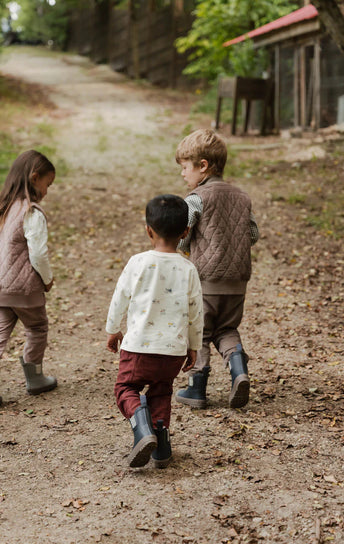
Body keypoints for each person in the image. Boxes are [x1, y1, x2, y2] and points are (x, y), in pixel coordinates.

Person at [106, 194, 203, 468]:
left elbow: (120, 297)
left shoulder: (138, 262)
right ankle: (161, 446)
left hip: (139, 348)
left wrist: (113, 329)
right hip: (172, 352)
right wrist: (193, 346)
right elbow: (196, 312)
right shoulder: (188, 269)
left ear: (148, 230)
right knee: (161, 392)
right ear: (185, 233)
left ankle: (141, 427)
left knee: (126, 387)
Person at [174, 128, 259, 410]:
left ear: (203, 166)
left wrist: (184, 248)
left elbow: (183, 233)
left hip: (206, 281)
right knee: (227, 328)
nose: (183, 174)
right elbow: (253, 234)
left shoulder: (196, 198)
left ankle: (196, 388)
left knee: (200, 331)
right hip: (237, 282)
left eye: (185, 167)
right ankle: (238, 370)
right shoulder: (242, 197)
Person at [0, 150, 57, 412]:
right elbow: (38, 254)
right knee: (37, 327)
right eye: (47, 184)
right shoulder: (31, 212)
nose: (47, 190)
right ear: (34, 177)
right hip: (23, 289)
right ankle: (35, 377)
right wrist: (47, 279)